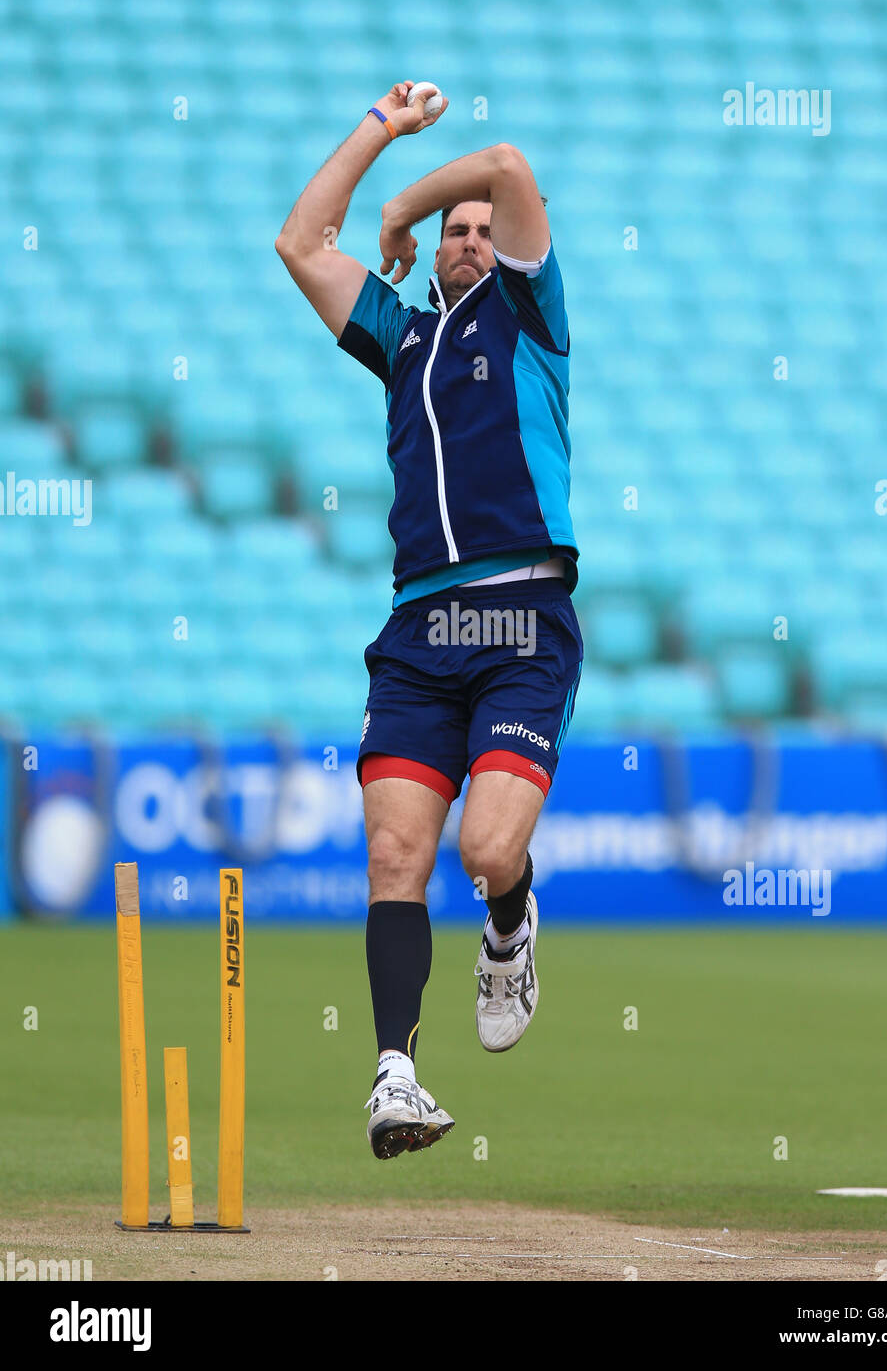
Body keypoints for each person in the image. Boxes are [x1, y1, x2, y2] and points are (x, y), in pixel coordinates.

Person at [276, 80, 582, 1159]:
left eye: (478, 231)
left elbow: (501, 158)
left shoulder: (532, 318)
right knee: (393, 857)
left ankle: (509, 923)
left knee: (488, 849)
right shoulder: (402, 341)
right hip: (417, 630)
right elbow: (300, 240)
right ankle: (394, 1075)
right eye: (451, 234)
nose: (467, 238)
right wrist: (377, 124)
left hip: (519, 619)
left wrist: (405, 203)